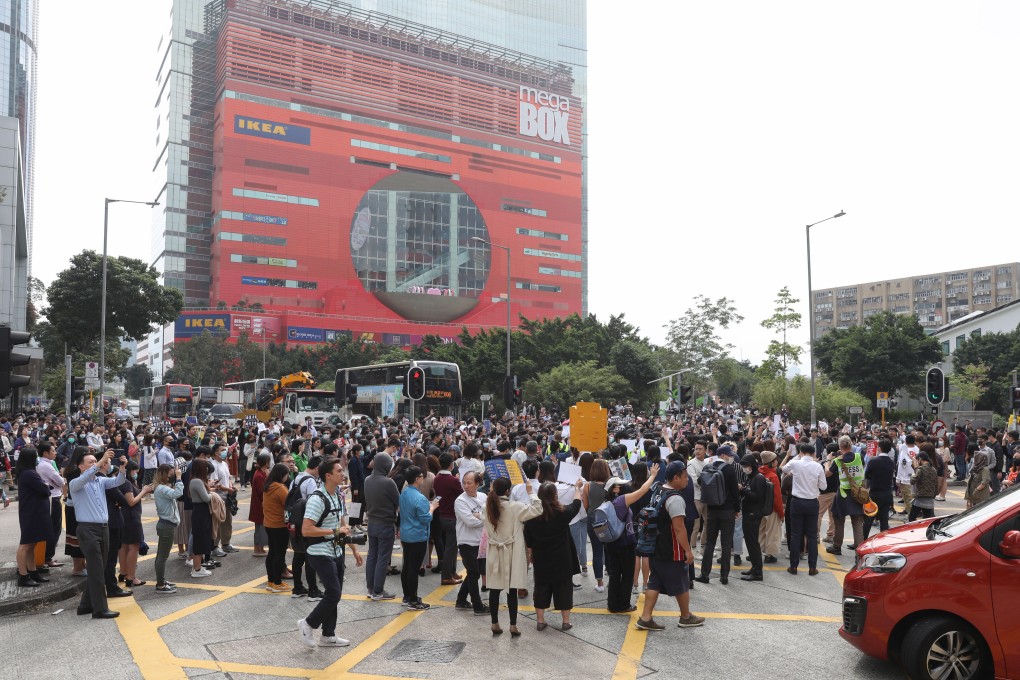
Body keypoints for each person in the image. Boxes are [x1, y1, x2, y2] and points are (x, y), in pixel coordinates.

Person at [635, 462, 705, 631]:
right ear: (675, 478)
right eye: (685, 476)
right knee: (681, 581)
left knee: (655, 581)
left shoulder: (658, 490)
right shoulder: (675, 498)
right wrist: (688, 550)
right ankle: (686, 617)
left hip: (655, 545)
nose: (687, 480)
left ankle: (645, 618)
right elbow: (679, 528)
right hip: (671, 548)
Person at [298, 456, 353, 648]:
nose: (342, 474)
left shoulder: (337, 495)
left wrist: (354, 550)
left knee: (334, 593)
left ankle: (328, 635)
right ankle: (308, 623)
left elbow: (341, 525)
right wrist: (334, 532)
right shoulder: (317, 499)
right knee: (334, 593)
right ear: (328, 476)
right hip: (319, 551)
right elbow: (306, 530)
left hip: (336, 550)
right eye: (339, 471)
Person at [69, 449, 127, 619]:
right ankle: (99, 609)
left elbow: (118, 481)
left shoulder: (100, 481)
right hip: (87, 529)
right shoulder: (76, 483)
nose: (96, 463)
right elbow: (87, 476)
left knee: (98, 568)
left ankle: (85, 605)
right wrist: (101, 460)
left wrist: (123, 467)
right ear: (81, 466)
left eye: (96, 461)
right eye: (90, 461)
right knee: (95, 569)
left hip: (103, 528)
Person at [484, 476, 543, 636]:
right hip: (512, 552)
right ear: (508, 491)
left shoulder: (487, 507)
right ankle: (513, 625)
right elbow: (538, 509)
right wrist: (530, 493)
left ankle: (494, 623)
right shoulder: (515, 507)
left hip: (494, 552)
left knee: (494, 590)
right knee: (512, 590)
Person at [524, 481, 582, 630]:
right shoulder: (563, 512)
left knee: (541, 587)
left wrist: (530, 555)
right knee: (564, 588)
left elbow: (528, 540)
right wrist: (577, 488)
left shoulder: (532, 516)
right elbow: (577, 504)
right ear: (555, 495)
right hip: (562, 558)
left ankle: (540, 620)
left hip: (541, 557)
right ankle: (565, 622)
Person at [602, 465, 659, 612]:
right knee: (627, 574)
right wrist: (652, 476)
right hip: (624, 543)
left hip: (611, 542)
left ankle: (613, 604)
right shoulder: (621, 501)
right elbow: (643, 490)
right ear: (614, 488)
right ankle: (623, 604)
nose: (624, 486)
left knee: (614, 574)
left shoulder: (607, 502)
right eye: (620, 485)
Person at [694, 445, 740, 585]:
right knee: (726, 544)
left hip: (712, 510)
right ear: (723, 455)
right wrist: (737, 509)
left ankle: (704, 574)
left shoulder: (708, 467)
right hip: (727, 510)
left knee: (710, 542)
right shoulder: (729, 470)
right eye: (729, 455)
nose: (730, 457)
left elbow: (699, 482)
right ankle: (724, 576)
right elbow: (735, 492)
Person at [399, 465, 440, 610]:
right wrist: (432, 507)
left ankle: (407, 596)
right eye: (422, 476)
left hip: (406, 534)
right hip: (418, 536)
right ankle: (413, 600)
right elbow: (426, 518)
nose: (423, 478)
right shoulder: (420, 497)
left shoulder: (404, 493)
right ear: (417, 479)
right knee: (413, 569)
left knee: (407, 567)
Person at [784, 443, 826, 576]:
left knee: (796, 534)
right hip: (812, 502)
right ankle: (812, 567)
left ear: (801, 452)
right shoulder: (818, 466)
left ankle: (793, 566)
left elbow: (784, 468)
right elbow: (823, 487)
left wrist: (796, 457)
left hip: (797, 501)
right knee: (812, 535)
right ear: (813, 453)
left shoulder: (796, 464)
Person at [15, 447, 54, 588]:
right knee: (26, 545)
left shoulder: (27, 473)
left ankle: (32, 572)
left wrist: (45, 486)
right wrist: (46, 485)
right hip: (32, 513)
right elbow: (44, 490)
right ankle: (23, 575)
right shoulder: (29, 474)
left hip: (35, 512)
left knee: (33, 543)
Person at [364, 451, 400, 600]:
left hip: (371, 523)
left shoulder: (367, 479)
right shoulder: (388, 482)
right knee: (383, 558)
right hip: (385, 523)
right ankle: (378, 591)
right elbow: (398, 501)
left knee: (372, 555)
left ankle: (371, 588)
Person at [453, 470, 488, 615]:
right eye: (464, 482)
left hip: (481, 541)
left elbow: (490, 514)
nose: (466, 486)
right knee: (474, 573)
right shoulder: (460, 501)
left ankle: (461, 600)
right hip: (466, 541)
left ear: (478, 483)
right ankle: (477, 605)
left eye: (469, 483)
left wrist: (479, 515)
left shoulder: (483, 496)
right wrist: (484, 517)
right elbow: (470, 522)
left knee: (474, 572)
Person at [827, 435, 867, 554]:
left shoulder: (838, 460)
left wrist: (828, 460)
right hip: (858, 493)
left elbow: (828, 474)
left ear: (840, 446)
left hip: (843, 494)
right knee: (857, 520)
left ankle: (837, 546)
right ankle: (859, 549)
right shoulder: (859, 457)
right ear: (851, 445)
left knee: (838, 519)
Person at [117, 460, 152, 587]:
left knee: (124, 546)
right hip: (131, 517)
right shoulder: (126, 483)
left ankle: (123, 573)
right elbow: (131, 502)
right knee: (133, 547)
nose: (136, 472)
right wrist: (144, 491)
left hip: (124, 516)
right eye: (134, 470)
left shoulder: (121, 481)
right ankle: (131, 577)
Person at [432, 452, 464, 585]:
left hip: (442, 515)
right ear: (451, 465)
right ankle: (446, 576)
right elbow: (463, 494)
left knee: (452, 546)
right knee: (451, 548)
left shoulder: (437, 478)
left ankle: (452, 572)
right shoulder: (453, 480)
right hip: (452, 516)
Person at [153, 463, 184, 593]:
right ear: (164, 474)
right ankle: (160, 584)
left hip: (167, 524)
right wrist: (179, 478)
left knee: (162, 555)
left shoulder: (162, 487)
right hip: (166, 525)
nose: (172, 476)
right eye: (171, 474)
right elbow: (178, 493)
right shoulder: (161, 489)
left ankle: (162, 580)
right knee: (162, 556)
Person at [581, 459, 610, 592]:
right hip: (608, 518)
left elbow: (585, 506)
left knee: (597, 551)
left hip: (593, 519)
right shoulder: (611, 485)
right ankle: (611, 573)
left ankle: (599, 583)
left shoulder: (587, 485)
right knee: (610, 549)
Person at [737, 454, 768, 581]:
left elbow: (757, 497)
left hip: (753, 514)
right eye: (743, 466)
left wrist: (743, 490)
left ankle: (758, 572)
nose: (745, 468)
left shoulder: (758, 478)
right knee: (750, 543)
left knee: (753, 543)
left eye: (746, 466)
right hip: (748, 513)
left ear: (752, 466)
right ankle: (754, 567)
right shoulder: (751, 477)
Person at [36, 442, 66, 568]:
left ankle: (46, 556)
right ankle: (48, 557)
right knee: (54, 528)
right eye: (53, 451)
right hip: (53, 499)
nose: (55, 453)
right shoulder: (46, 465)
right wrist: (61, 481)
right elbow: (60, 481)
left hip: (49, 498)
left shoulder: (40, 464)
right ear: (45, 453)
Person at [863, 439, 896, 537]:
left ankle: (863, 541)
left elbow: (867, 475)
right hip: (887, 493)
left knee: (868, 519)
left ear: (880, 448)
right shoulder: (891, 462)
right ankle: (883, 542)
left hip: (874, 493)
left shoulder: (873, 461)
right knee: (884, 520)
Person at [188, 459, 215, 578]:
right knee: (200, 540)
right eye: (205, 467)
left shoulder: (195, 480)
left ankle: (197, 567)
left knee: (200, 538)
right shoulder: (197, 481)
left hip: (199, 511)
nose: (207, 470)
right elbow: (206, 498)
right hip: (201, 511)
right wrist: (212, 494)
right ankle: (197, 569)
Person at [757, 452, 783, 564]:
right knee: (772, 532)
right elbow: (777, 497)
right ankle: (769, 555)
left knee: (760, 531)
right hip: (771, 509)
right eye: (776, 460)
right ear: (772, 462)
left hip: (759, 508)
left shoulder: (758, 473)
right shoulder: (773, 476)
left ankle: (758, 552)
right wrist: (781, 513)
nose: (777, 462)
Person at [248, 452, 271, 556]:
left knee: (260, 528)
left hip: (259, 504)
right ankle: (258, 549)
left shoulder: (261, 473)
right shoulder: (259, 475)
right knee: (260, 529)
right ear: (266, 462)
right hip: (259, 505)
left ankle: (260, 548)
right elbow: (263, 492)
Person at [908, 452, 938, 521]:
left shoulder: (921, 469)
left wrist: (913, 473)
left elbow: (913, 481)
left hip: (920, 498)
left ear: (920, 459)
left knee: (911, 518)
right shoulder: (933, 469)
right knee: (926, 520)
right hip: (930, 498)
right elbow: (936, 484)